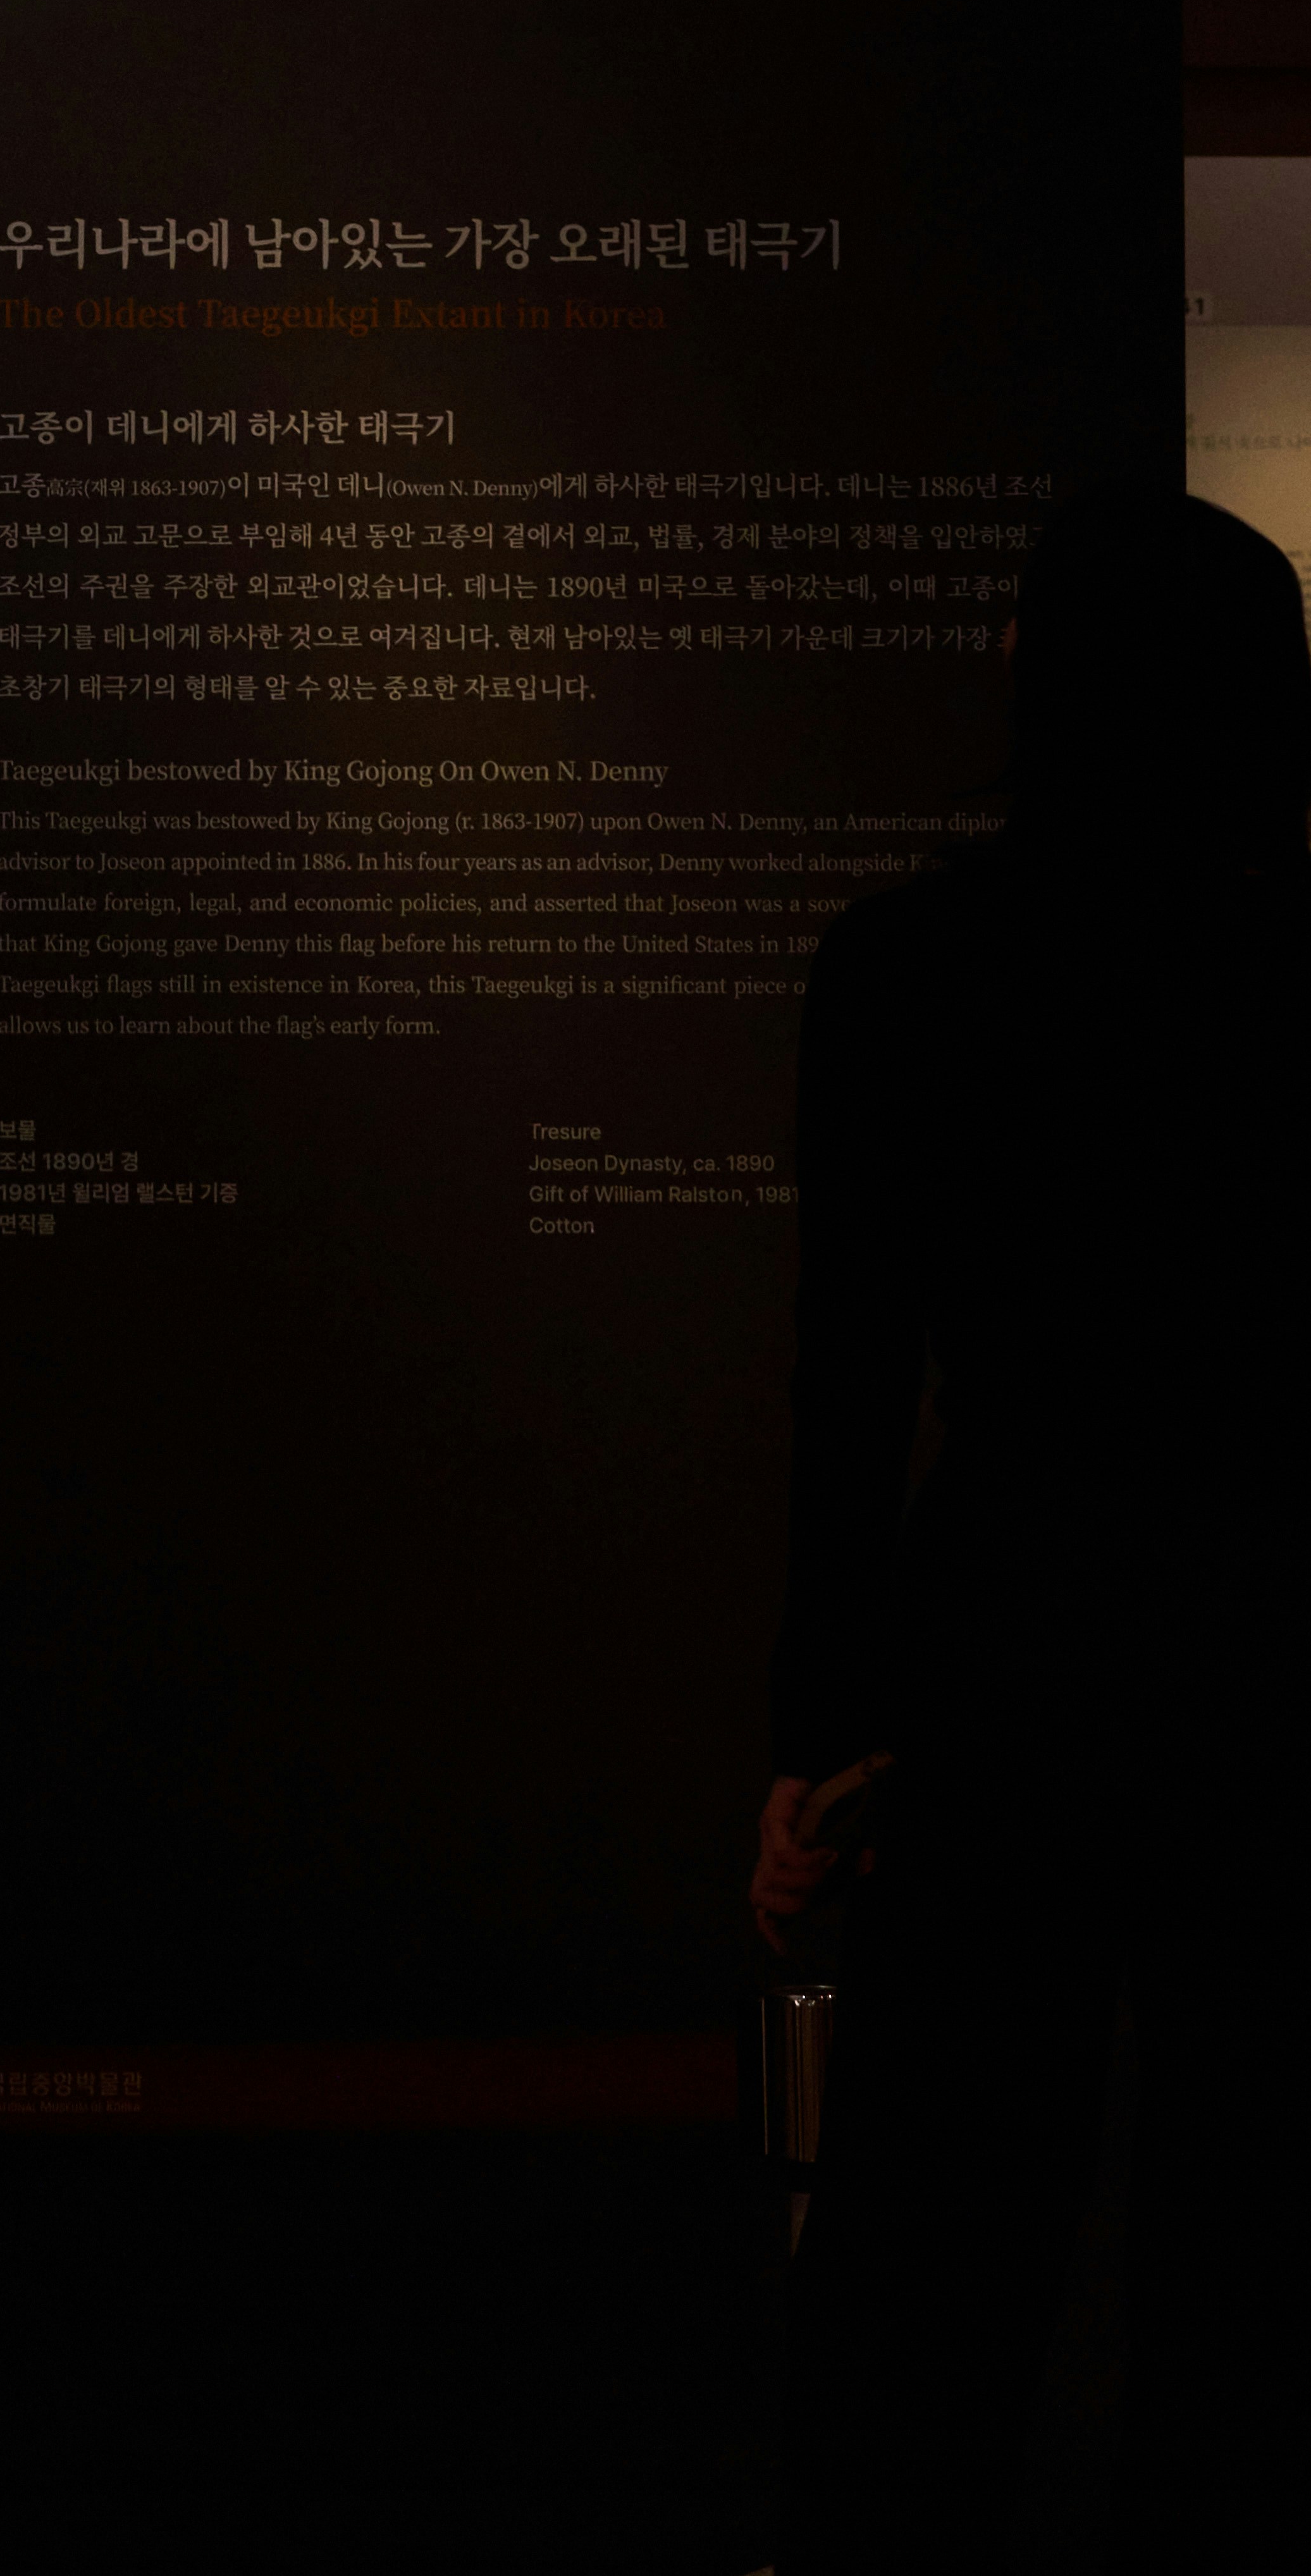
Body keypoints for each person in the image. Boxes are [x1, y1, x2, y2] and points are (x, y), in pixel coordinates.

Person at [752, 484, 1306, 2567]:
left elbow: (849, 1382)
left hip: (1017, 1619)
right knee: (1253, 2211)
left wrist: (813, 1736)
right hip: (1278, 1627)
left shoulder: (904, 967)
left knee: (946, 2216)